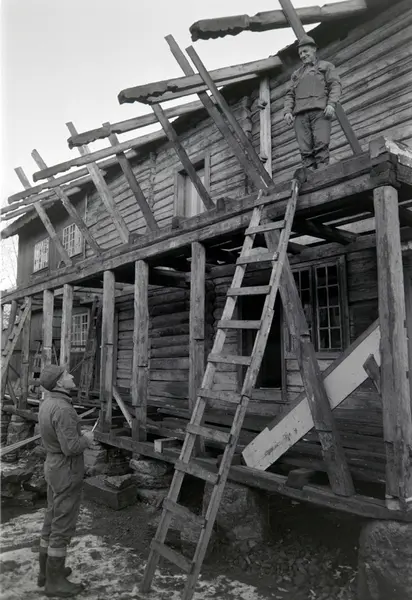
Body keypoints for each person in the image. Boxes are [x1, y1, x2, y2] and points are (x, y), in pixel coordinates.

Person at [38, 364, 94, 597]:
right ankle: (55, 583)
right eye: (67, 374)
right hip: (66, 469)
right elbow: (71, 448)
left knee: (52, 516)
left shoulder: (47, 403)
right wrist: (87, 439)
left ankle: (45, 573)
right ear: (60, 382)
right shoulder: (63, 409)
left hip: (53, 466)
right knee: (62, 523)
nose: (71, 375)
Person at [284, 34, 341, 171]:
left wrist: (331, 104)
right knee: (305, 151)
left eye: (305, 51)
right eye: (300, 53)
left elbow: (335, 85)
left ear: (314, 49)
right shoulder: (296, 74)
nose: (303, 55)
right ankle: (310, 177)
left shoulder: (326, 66)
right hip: (300, 116)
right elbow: (290, 94)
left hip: (320, 113)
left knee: (321, 146)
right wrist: (287, 111)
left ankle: (322, 176)